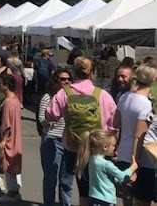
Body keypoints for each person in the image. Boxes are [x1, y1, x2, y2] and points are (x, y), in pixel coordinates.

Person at [46, 57, 117, 206]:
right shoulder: (103, 95)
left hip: (74, 148)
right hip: (98, 149)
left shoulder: (64, 93)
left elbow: (50, 115)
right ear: (93, 73)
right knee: (102, 188)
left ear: (75, 73)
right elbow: (113, 125)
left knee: (83, 189)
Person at [113, 64, 157, 206]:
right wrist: (136, 163)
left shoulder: (124, 97)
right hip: (141, 159)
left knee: (127, 197)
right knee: (142, 199)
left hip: (124, 153)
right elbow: (139, 136)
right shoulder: (146, 104)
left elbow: (116, 123)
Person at [38, 68, 74, 206]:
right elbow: (41, 119)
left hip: (69, 141)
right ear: (56, 80)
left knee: (66, 180)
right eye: (62, 79)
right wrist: (50, 118)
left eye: (68, 79)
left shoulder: (73, 96)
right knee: (50, 179)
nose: (66, 81)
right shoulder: (48, 97)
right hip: (52, 139)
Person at [76, 129, 137, 206]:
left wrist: (126, 178)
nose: (115, 148)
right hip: (106, 200)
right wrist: (133, 167)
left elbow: (107, 178)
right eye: (113, 145)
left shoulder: (92, 160)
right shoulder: (106, 164)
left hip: (95, 199)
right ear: (105, 147)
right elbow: (122, 176)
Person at [0, 74, 23, 204]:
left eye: (0, 83)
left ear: (5, 85)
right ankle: (14, 191)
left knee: (8, 164)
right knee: (14, 164)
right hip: (16, 137)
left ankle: (12, 193)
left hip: (9, 138)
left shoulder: (8, 102)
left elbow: (7, 123)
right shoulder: (16, 100)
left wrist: (3, 140)